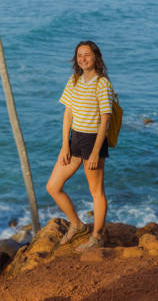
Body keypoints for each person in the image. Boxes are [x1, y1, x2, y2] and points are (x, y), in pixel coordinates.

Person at [46, 40, 114, 251]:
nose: (83, 59)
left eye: (87, 55)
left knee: (96, 192)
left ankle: (97, 236)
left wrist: (95, 152)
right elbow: (68, 113)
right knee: (53, 187)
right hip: (74, 139)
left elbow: (105, 120)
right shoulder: (74, 80)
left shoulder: (102, 84)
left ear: (96, 58)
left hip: (93, 141)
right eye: (79, 55)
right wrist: (64, 146)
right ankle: (76, 224)